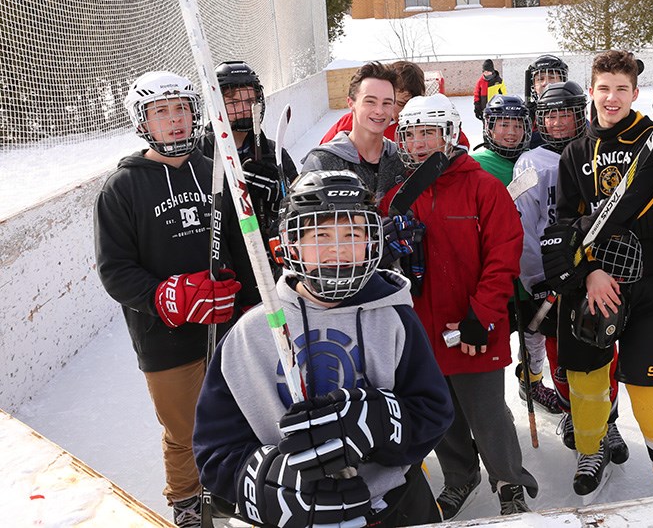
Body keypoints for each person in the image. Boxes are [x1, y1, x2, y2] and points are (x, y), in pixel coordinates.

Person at [193, 170, 454, 528]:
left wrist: (384, 421)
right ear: (291, 244)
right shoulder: (251, 333)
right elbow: (215, 449)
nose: (337, 249)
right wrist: (267, 484)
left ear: (372, 241)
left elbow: (434, 412)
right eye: (320, 235)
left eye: (353, 234)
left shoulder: (396, 319)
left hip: (395, 506)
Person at [94, 71, 259, 528]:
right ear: (142, 121)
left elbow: (243, 245)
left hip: (225, 326)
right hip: (163, 338)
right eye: (161, 112)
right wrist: (165, 297)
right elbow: (115, 270)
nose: (175, 120)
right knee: (183, 430)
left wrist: (248, 299)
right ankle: (188, 502)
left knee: (236, 414)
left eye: (182, 109)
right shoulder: (122, 189)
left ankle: (234, 487)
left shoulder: (217, 169)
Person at [541, 50, 653, 497]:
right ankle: (593, 448)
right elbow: (568, 220)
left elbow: (634, 206)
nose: (612, 98)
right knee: (587, 382)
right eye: (604, 88)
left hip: (648, 280)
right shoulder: (574, 153)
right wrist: (588, 272)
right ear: (591, 91)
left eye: (621, 89)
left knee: (651, 389)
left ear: (635, 93)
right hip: (594, 283)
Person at [380, 93, 538, 518]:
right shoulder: (398, 196)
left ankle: (509, 481)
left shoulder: (482, 186)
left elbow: (504, 254)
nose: (418, 143)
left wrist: (481, 316)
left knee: (487, 411)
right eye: (410, 134)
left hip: (470, 325)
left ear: (450, 134)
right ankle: (459, 476)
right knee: (440, 412)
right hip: (420, 329)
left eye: (428, 132)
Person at [513, 80, 625, 439]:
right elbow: (526, 228)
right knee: (561, 355)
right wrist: (537, 279)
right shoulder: (530, 163)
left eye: (565, 113)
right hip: (554, 277)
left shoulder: (594, 151)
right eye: (550, 115)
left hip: (596, 271)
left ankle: (608, 421)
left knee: (604, 349)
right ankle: (572, 413)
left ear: (582, 113)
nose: (558, 122)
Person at [469, 94, 562, 415]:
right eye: (502, 124)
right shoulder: (476, 166)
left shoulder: (538, 160)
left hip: (532, 272)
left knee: (533, 335)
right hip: (494, 276)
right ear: (489, 128)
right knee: (493, 339)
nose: (510, 132)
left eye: (517, 125)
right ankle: (487, 404)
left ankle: (532, 382)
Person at [199, 61, 298, 244]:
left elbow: (301, 210)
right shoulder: (199, 154)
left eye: (249, 101)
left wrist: (280, 201)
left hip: (265, 255)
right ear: (216, 104)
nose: (244, 110)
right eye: (234, 102)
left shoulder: (274, 153)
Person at [302, 62, 404, 201]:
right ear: (351, 103)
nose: (379, 111)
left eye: (386, 103)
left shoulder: (400, 160)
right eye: (370, 101)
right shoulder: (322, 162)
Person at [321, 60, 470, 148]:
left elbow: (461, 144)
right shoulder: (352, 122)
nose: (405, 111)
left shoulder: (430, 120)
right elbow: (323, 154)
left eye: (411, 104)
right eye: (399, 103)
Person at [525, 54, 569, 147]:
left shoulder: (573, 109)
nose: (546, 83)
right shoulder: (527, 114)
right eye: (540, 79)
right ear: (533, 85)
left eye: (552, 77)